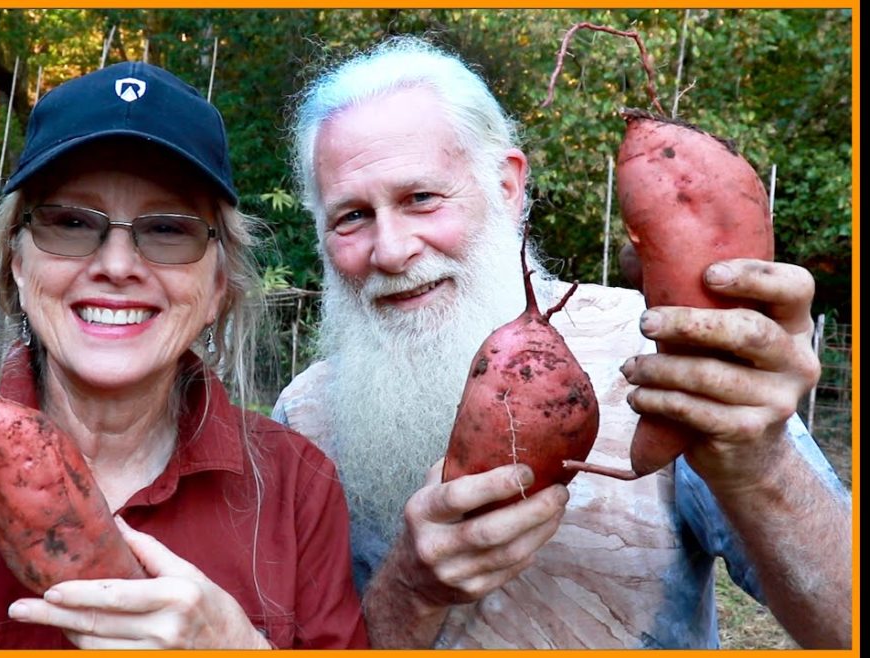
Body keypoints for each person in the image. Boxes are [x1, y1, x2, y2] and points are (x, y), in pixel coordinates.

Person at [0, 60, 368, 649]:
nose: (117, 266)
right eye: (71, 222)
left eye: (167, 228)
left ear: (215, 287)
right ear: (18, 265)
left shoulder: (296, 487)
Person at [273, 35, 852, 649]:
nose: (390, 251)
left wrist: (758, 464)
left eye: (422, 198)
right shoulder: (303, 418)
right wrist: (411, 590)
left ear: (507, 186)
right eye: (351, 216)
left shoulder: (669, 351)